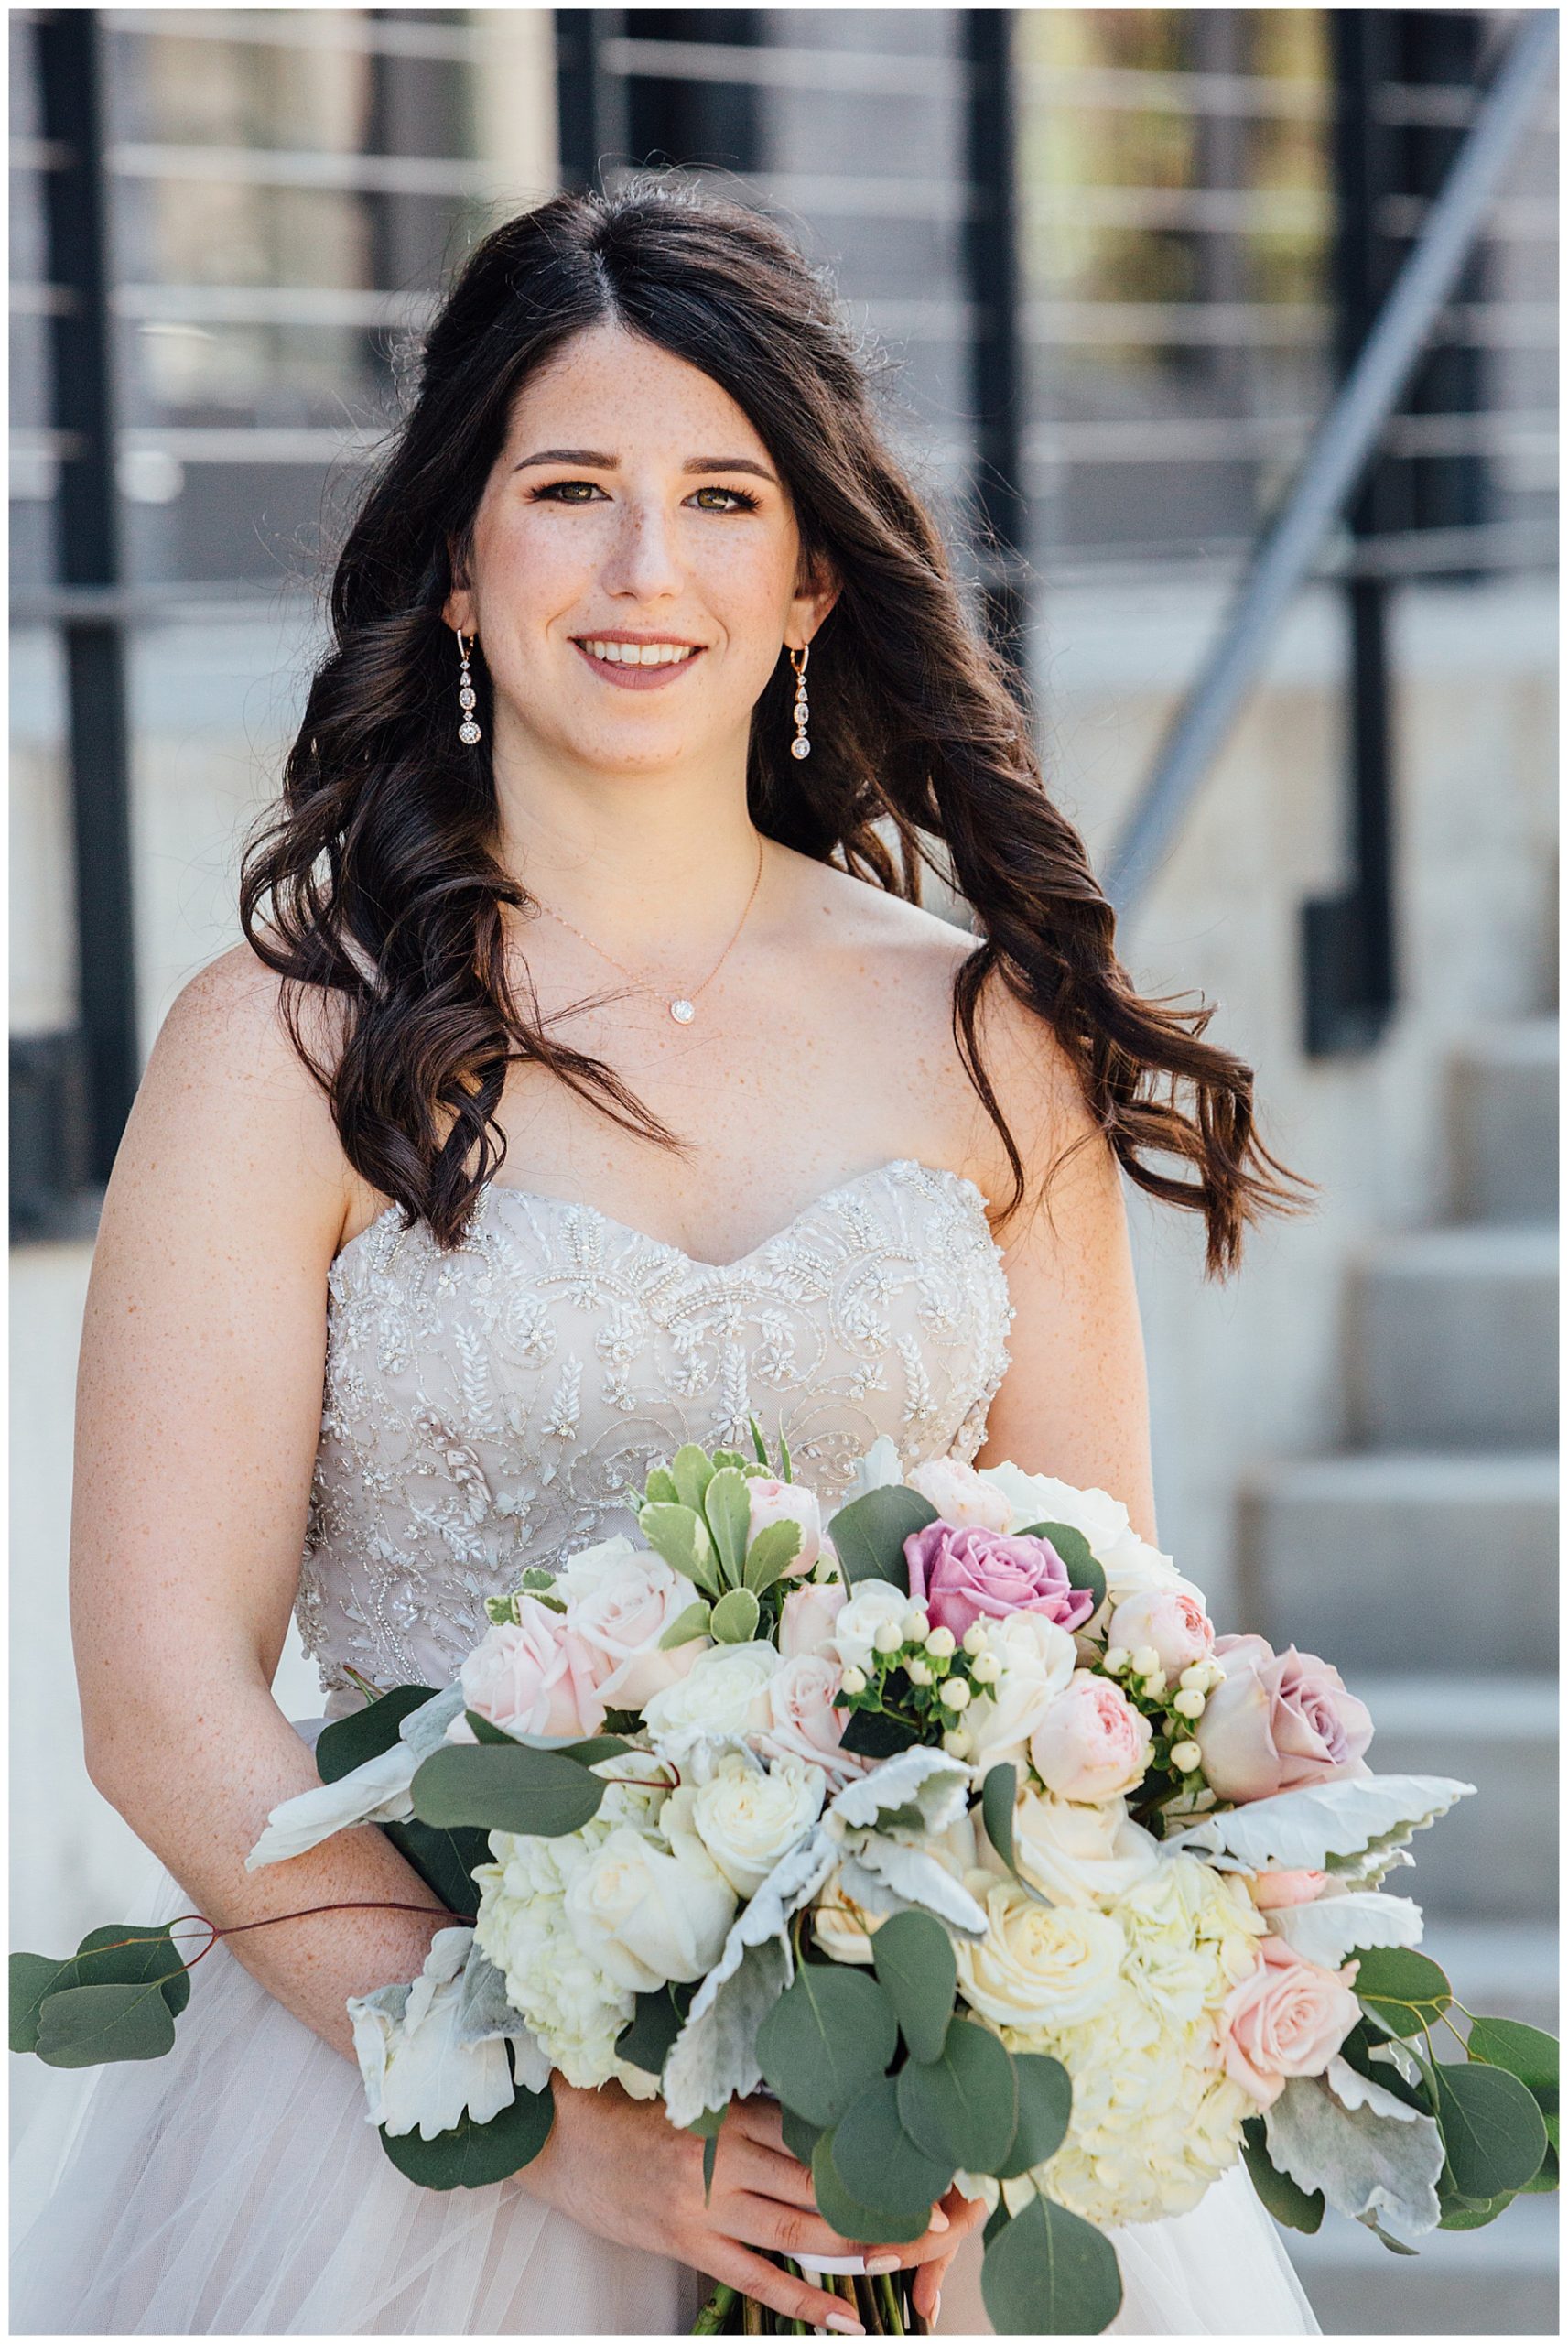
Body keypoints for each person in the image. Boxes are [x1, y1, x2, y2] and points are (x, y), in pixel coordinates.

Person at [11, 182, 1319, 2336]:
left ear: (810, 580)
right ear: (457, 553)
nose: (644, 572)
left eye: (719, 498)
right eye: (569, 491)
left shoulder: (992, 1038)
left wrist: (996, 2056)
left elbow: (1105, 1649)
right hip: (402, 2148)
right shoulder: (287, 1043)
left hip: (901, 2141)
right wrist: (535, 2108)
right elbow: (162, 1701)